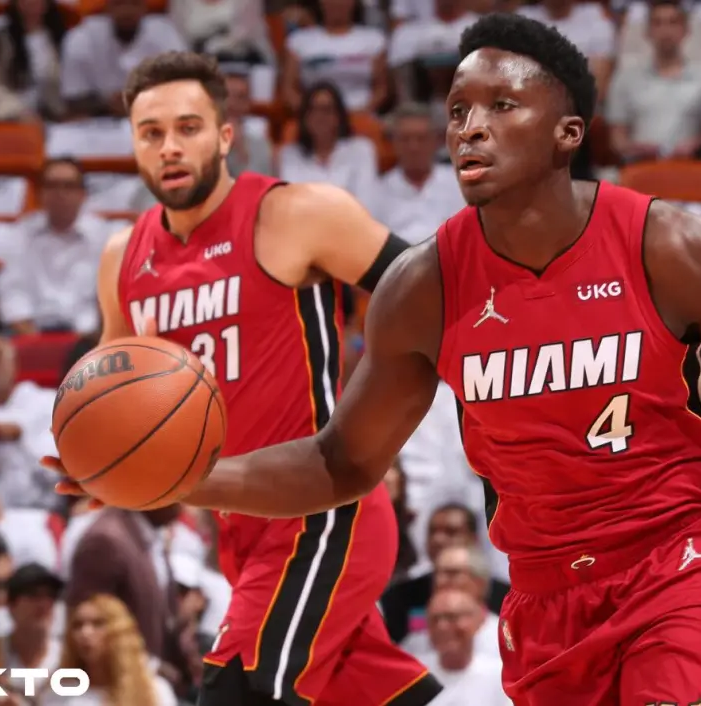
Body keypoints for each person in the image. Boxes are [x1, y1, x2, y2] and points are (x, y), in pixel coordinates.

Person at [52, 15, 701, 706]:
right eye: (459, 110)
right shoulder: (423, 287)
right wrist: (180, 478)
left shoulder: (669, 247)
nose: (470, 126)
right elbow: (340, 462)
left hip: (680, 569)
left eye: (502, 106)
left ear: (567, 134)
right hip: (543, 601)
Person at [52, 51, 441, 706]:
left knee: (237, 689)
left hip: (322, 509)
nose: (170, 147)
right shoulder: (122, 258)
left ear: (226, 135)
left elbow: (433, 297)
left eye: (188, 127)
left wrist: (388, 411)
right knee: (371, 692)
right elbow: (112, 406)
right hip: (236, 527)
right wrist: (95, 461)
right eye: (151, 133)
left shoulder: (296, 214)